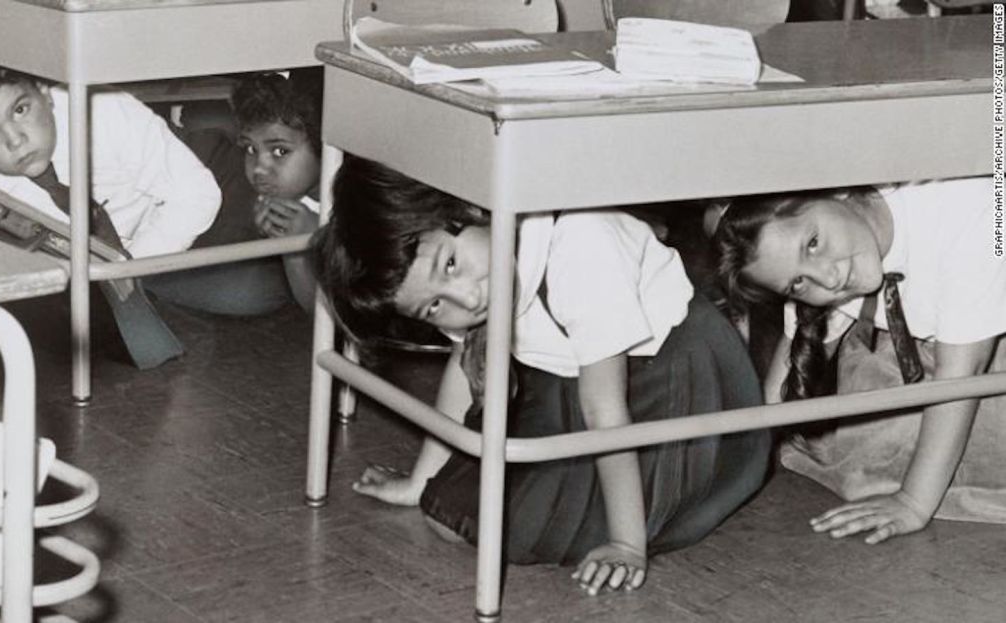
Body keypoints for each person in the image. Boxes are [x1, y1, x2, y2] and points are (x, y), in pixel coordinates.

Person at [309, 156, 771, 595]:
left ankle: (628, 513)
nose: (466, 300)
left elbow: (604, 408)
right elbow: (462, 370)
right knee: (446, 509)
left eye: (450, 264)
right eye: (433, 305)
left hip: (670, 385)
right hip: (572, 385)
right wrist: (421, 480)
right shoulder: (479, 270)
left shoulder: (579, 242)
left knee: (508, 524)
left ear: (469, 206)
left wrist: (627, 544)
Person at [711, 177, 1006, 544]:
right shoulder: (839, 251)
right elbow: (780, 388)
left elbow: (961, 378)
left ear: (838, 190)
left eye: (813, 243)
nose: (828, 278)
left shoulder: (968, 211)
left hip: (976, 365)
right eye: (797, 283)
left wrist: (912, 502)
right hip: (943, 358)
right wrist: (738, 463)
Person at [0, 55, 221, 369]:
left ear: (45, 93)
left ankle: (139, 296)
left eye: (21, 110)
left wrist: (130, 266)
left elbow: (196, 193)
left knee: (251, 291)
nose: (15, 140)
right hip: (81, 266)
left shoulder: (104, 110)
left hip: (167, 207)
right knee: (52, 324)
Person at [151, 69, 323, 314]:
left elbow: (323, 316)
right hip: (199, 189)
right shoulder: (226, 162)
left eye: (280, 152)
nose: (260, 168)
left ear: (325, 146)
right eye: (251, 149)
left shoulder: (351, 199)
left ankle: (133, 273)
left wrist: (296, 249)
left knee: (254, 291)